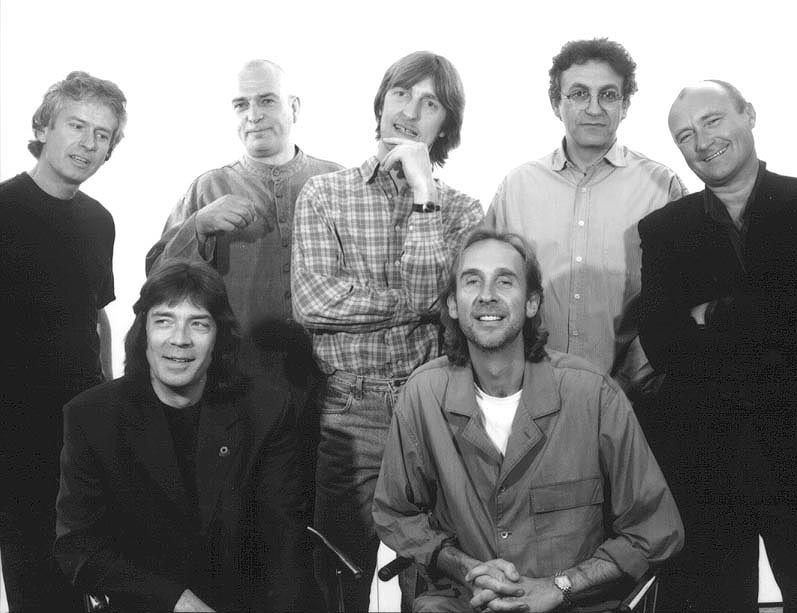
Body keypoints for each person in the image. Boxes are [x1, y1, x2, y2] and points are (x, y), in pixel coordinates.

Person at [373, 228, 683, 612]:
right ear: (453, 304)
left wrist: (559, 586)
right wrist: (465, 567)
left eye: (505, 281)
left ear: (532, 302)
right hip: (464, 602)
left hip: (571, 604)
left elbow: (656, 530)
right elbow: (396, 513)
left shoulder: (593, 394)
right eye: (472, 281)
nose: (487, 294)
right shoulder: (423, 395)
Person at [291, 50, 483, 611]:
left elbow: (443, 301)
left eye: (430, 103)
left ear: (446, 125)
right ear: (380, 104)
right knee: (340, 571)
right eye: (401, 94)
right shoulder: (325, 193)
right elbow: (314, 303)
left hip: (433, 404)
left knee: (432, 577)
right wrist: (419, 306)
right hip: (350, 408)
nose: (410, 112)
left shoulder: (461, 209)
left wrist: (424, 196)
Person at [638, 80, 797, 612]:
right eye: (684, 135)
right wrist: (782, 316)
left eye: (712, 120)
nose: (702, 142)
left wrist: (716, 313)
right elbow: (664, 343)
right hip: (710, 462)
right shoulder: (664, 230)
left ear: (750, 115)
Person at [54, 260, 310, 612]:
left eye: (198, 323)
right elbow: (78, 547)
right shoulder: (91, 416)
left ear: (219, 336)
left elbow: (285, 544)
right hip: (146, 602)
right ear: (144, 332)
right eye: (164, 321)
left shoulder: (267, 410)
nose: (179, 339)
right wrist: (173, 599)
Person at [486, 38, 686, 401]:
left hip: (633, 399)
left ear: (625, 105)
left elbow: (682, 299)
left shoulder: (662, 187)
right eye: (579, 94)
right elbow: (489, 293)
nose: (594, 108)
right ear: (556, 103)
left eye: (608, 95)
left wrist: (629, 382)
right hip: (531, 395)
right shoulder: (516, 188)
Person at [0, 70, 127, 611]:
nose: (88, 143)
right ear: (43, 128)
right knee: (34, 585)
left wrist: (109, 397)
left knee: (82, 580)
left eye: (102, 134)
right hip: (12, 436)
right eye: (76, 125)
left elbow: (96, 316)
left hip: (78, 432)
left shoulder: (100, 221)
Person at [145, 59, 341, 379]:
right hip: (236, 379)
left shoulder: (337, 182)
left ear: (294, 107)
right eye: (241, 105)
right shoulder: (208, 188)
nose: (253, 115)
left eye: (266, 100)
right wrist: (198, 227)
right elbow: (157, 284)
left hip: (331, 379)